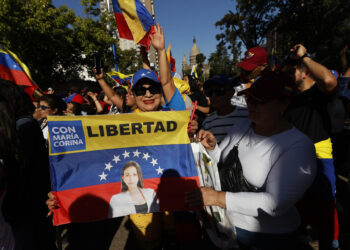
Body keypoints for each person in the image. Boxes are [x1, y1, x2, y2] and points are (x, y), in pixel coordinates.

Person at [186, 72, 317, 249]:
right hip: (226, 228)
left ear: (284, 104)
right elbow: (220, 162)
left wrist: (217, 198)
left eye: (260, 101)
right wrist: (212, 148)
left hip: (266, 238)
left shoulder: (299, 146)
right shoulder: (243, 126)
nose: (251, 106)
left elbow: (275, 204)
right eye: (249, 99)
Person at [284, 44, 339, 249]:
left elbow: (328, 80)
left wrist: (304, 56)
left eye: (295, 69)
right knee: (297, 210)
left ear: (306, 71)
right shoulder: (288, 96)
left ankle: (330, 244)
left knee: (325, 210)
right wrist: (289, 63)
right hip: (293, 157)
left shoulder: (320, 93)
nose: (290, 73)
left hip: (319, 155)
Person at [202, 74, 248, 144]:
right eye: (209, 92)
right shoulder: (207, 123)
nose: (213, 96)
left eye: (219, 91)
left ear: (231, 93)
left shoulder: (247, 116)